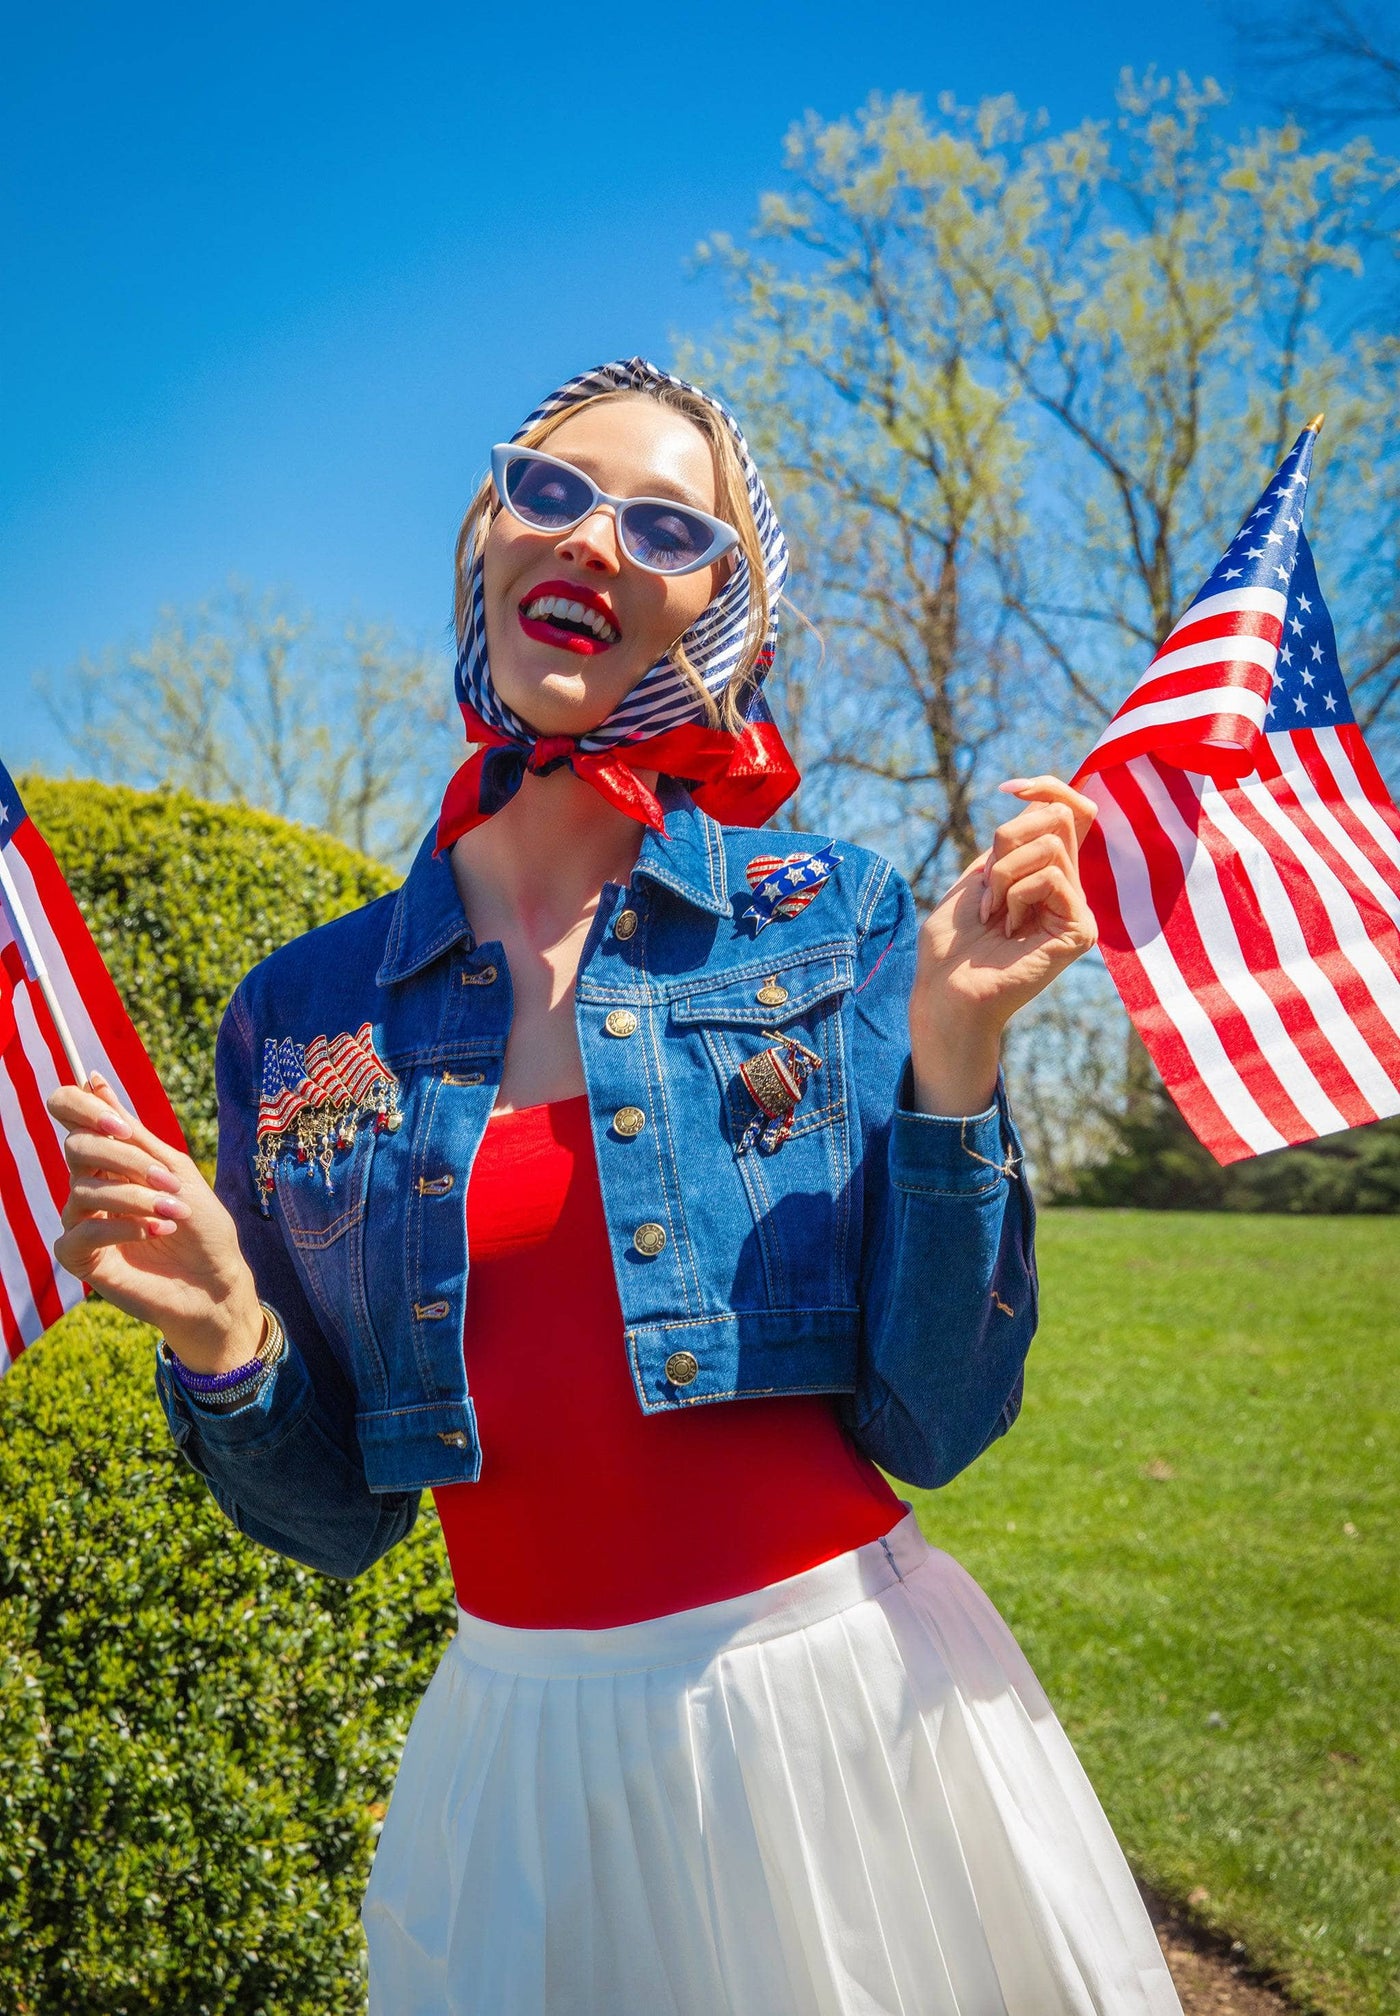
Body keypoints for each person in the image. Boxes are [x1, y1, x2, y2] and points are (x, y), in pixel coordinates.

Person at [47, 359, 1181, 2015]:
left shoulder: (837, 924)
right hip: (522, 1776)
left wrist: (951, 1057)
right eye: (552, 490)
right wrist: (228, 1337)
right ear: (484, 540)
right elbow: (332, 1520)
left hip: (847, 1729)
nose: (592, 539)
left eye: (665, 523)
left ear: (725, 609)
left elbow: (938, 1416)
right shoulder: (301, 1017)